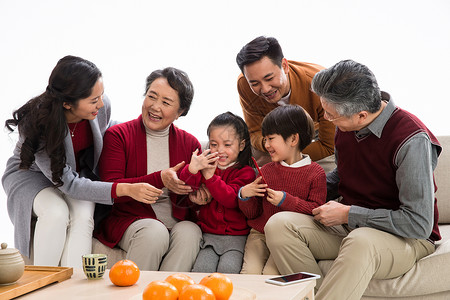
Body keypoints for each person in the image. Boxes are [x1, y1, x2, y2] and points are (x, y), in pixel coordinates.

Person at [264, 60, 442, 300]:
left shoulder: (411, 140)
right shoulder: (345, 126)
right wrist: (296, 193)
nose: (326, 119)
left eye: (331, 115)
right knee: (279, 225)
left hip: (404, 238)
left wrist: (349, 214)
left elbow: (418, 223)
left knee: (360, 241)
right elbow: (344, 173)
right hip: (350, 228)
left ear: (361, 115)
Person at [2, 55, 159, 268]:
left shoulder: (101, 107)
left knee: (85, 213)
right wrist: (125, 189)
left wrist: (141, 132)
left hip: (74, 173)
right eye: (94, 100)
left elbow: (110, 128)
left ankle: (73, 286)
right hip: (31, 175)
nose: (101, 103)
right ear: (67, 103)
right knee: (56, 213)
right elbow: (69, 184)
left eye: (101, 95)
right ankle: (42, 284)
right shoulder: (38, 124)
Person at [94, 67, 203, 272]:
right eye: (151, 97)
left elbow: (192, 196)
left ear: (180, 112)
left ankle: (165, 291)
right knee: (155, 232)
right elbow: (109, 188)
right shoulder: (118, 135)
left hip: (176, 221)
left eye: (166, 102)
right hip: (130, 219)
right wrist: (160, 178)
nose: (155, 107)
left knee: (190, 231)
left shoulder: (190, 144)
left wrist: (199, 196)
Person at [238, 104, 327, 275]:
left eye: (271, 138)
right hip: (259, 235)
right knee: (250, 273)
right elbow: (253, 214)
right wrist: (245, 196)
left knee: (270, 275)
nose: (266, 145)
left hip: (289, 238)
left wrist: (286, 201)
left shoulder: (316, 173)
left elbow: (315, 211)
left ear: (293, 139)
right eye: (265, 139)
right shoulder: (266, 171)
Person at [236, 36, 335, 170]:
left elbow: (327, 145)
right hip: (272, 137)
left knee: (331, 169)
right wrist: (273, 145)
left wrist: (285, 157)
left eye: (269, 78)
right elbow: (254, 131)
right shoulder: (244, 84)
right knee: (244, 163)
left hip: (313, 132)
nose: (265, 89)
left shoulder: (320, 85)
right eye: (254, 83)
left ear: (285, 66)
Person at [179, 112, 255, 274]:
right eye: (214, 144)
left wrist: (210, 177)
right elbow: (185, 186)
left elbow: (231, 199)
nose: (220, 150)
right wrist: (192, 168)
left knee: (227, 271)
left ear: (241, 145)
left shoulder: (246, 173)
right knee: (201, 271)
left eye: (227, 145)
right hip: (208, 237)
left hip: (236, 239)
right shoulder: (205, 166)